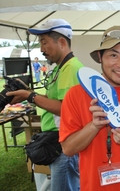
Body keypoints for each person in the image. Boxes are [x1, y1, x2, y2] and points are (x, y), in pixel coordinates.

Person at [59, 25, 120, 190]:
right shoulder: (75, 95)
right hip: (94, 185)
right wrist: (93, 126)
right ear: (100, 56)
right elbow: (68, 148)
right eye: (113, 55)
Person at [7, 19, 83, 190]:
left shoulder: (70, 69)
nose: (41, 49)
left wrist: (31, 96)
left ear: (62, 42)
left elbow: (66, 110)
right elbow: (53, 99)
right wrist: (28, 94)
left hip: (64, 143)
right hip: (58, 140)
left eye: (44, 42)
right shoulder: (60, 68)